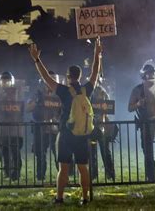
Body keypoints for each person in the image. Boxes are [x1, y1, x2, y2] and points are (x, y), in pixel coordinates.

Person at [29, 37, 102, 206]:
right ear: (80, 76)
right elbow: (95, 73)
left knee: (64, 168)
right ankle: (84, 198)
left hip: (66, 134)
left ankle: (59, 198)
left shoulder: (63, 91)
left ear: (68, 77)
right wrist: (97, 54)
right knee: (83, 168)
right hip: (83, 134)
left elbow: (46, 77)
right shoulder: (86, 90)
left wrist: (36, 59)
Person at [26, 75, 60, 181]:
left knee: (59, 154)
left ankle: (63, 175)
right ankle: (40, 176)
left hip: (55, 128)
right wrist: (37, 101)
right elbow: (27, 108)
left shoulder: (59, 95)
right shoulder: (37, 94)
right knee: (40, 153)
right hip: (40, 128)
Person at [0, 71, 25, 181]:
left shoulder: (17, 94)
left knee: (15, 152)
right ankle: (7, 172)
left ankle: (16, 173)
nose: (5, 84)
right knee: (4, 152)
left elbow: (20, 112)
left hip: (14, 129)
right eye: (3, 81)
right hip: (3, 129)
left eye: (7, 81)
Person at [90, 78, 116, 181]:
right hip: (91, 126)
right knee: (92, 152)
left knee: (105, 151)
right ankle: (93, 174)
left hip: (102, 126)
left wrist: (103, 122)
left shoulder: (103, 92)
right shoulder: (88, 92)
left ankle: (110, 174)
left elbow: (107, 108)